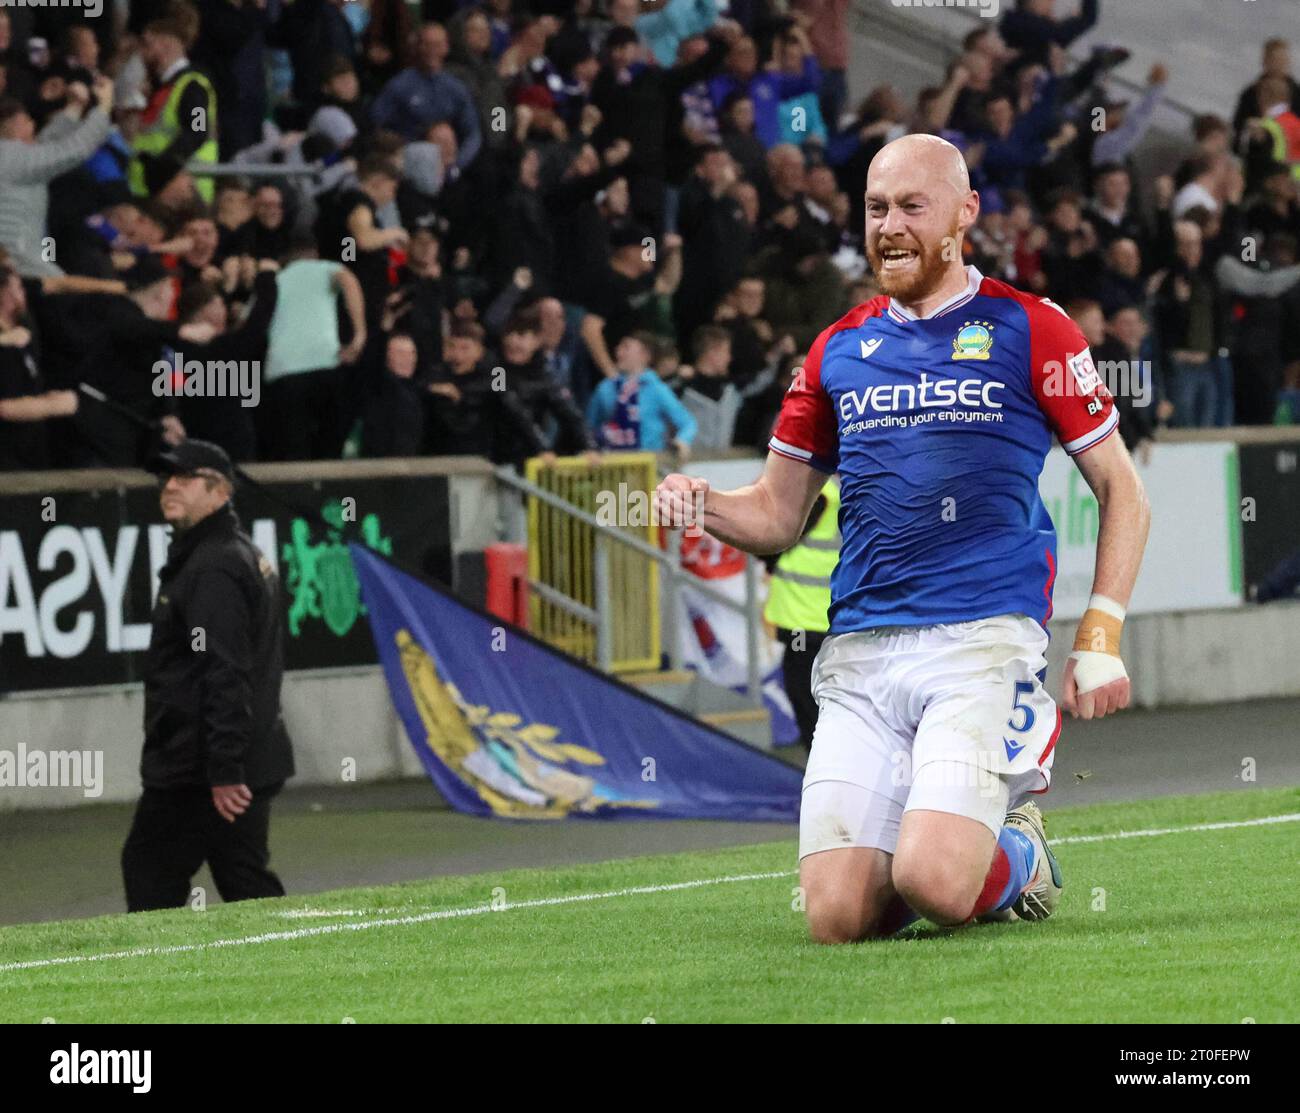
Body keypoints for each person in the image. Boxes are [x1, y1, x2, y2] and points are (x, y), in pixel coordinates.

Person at [655, 134, 1150, 943]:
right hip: (860, 649)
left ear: (964, 214)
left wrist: (1101, 631)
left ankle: (1015, 854)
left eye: (911, 207)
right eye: (877, 208)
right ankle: (946, 838)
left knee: (932, 880)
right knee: (838, 917)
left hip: (980, 643)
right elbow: (777, 516)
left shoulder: (1034, 328)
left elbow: (1121, 487)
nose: (889, 225)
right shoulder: (837, 349)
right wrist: (702, 500)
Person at [122, 438, 294, 912]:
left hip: (200, 769)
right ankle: (292, 966)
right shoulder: (226, 553)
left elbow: (225, 671)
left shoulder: (213, 565)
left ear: (220, 492)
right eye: (166, 478)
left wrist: (223, 770)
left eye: (184, 478)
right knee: (243, 879)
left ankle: (159, 978)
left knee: (150, 869)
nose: (169, 487)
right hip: (231, 758)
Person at [763, 477, 839, 751]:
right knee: (814, 705)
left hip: (808, 620)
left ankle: (826, 778)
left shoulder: (820, 492)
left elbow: (780, 537)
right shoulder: (839, 489)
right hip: (820, 619)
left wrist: (768, 560)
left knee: (810, 706)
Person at [586, 330, 697, 455]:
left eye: (626, 347)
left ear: (645, 355)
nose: (618, 352)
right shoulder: (606, 387)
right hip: (612, 464)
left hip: (648, 464)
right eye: (619, 347)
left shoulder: (657, 389)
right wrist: (590, 448)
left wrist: (682, 441)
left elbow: (687, 422)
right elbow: (589, 425)